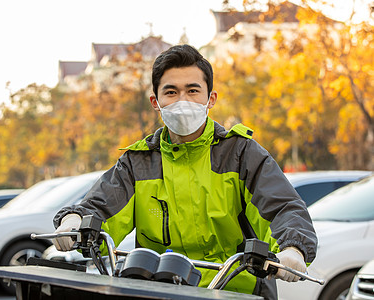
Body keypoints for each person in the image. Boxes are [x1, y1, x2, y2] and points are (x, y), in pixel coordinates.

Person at [53, 44, 317, 299]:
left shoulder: (242, 154)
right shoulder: (137, 163)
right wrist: (75, 221)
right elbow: (100, 205)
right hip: (159, 289)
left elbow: (282, 206)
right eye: (171, 92)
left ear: (210, 98)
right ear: (155, 102)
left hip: (235, 291)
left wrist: (293, 248)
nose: (182, 100)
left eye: (192, 91)